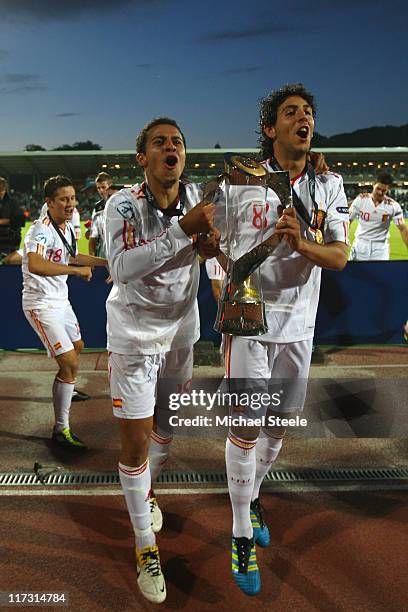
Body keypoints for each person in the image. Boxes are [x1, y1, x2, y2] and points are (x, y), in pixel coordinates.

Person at [221, 84, 349, 596]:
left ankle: (251, 495)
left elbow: (339, 257)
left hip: (301, 327)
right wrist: (226, 292)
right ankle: (239, 535)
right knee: (246, 431)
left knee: (278, 431)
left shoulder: (329, 185)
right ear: (270, 129)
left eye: (309, 113)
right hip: (250, 326)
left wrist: (302, 242)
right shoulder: (238, 184)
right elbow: (218, 252)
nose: (305, 118)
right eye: (292, 112)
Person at [104, 117, 219, 604]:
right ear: (143, 158)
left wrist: (213, 251)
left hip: (181, 331)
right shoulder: (122, 203)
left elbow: (217, 249)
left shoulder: (200, 200)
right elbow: (121, 268)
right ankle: (145, 546)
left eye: (177, 142)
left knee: (167, 426)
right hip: (133, 335)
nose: (170, 147)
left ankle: (146, 493)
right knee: (134, 447)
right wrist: (182, 234)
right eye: (159, 142)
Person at [22, 175, 108, 449]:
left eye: (72, 198)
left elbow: (73, 255)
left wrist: (109, 262)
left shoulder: (70, 224)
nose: (71, 204)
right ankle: (61, 430)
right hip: (41, 304)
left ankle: (66, 387)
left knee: (78, 347)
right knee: (69, 362)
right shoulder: (40, 230)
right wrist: (74, 271)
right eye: (64, 199)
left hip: (62, 300)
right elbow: (35, 264)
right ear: (49, 202)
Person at [349, 172, 408, 260]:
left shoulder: (393, 206)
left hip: (380, 249)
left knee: (380, 273)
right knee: (354, 273)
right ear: (373, 185)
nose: (380, 192)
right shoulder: (360, 200)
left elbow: (403, 229)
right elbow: (347, 221)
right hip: (360, 245)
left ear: (388, 189)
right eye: (378, 188)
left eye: (384, 190)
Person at [89, 184, 120, 258]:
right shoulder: (98, 216)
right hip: (103, 258)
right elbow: (93, 239)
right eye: (109, 196)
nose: (112, 199)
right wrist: (92, 256)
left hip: (122, 259)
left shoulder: (129, 216)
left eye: (115, 196)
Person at [0, 176, 26, 261]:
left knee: (8, 264)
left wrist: (4, 221)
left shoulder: (12, 202)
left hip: (9, 241)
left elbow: (21, 220)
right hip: (7, 240)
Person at [85, 172, 113, 240]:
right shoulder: (97, 207)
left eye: (103, 187)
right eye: (98, 188)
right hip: (102, 248)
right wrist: (89, 231)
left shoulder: (120, 203)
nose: (100, 190)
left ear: (110, 186)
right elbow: (92, 234)